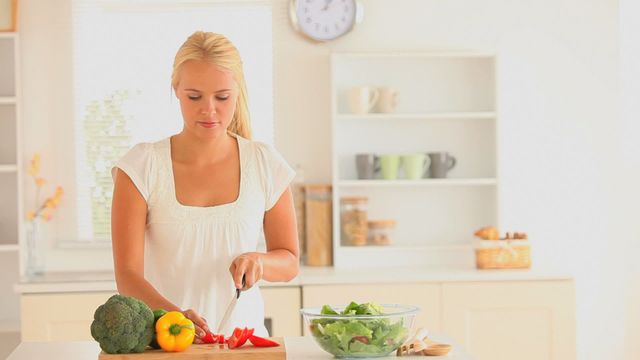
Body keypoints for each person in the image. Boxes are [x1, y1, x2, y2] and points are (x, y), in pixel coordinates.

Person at [110, 31, 299, 342]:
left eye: (222, 97)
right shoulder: (141, 166)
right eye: (194, 97)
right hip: (168, 345)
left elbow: (289, 261)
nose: (208, 109)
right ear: (176, 90)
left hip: (244, 348)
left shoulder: (265, 163)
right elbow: (127, 276)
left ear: (238, 92)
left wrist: (260, 262)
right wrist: (176, 319)